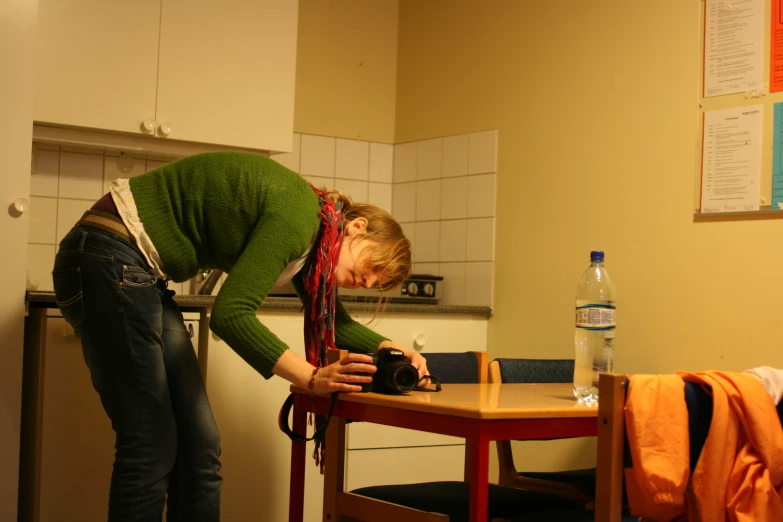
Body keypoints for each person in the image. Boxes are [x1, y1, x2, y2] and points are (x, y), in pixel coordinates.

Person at [51, 151, 428, 522]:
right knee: (151, 441)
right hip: (107, 255)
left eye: (377, 283)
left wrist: (391, 349)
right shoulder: (299, 220)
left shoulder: (315, 246)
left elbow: (338, 325)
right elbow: (230, 315)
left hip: (137, 272)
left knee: (201, 446)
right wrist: (312, 378)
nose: (368, 282)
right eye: (374, 267)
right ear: (357, 227)